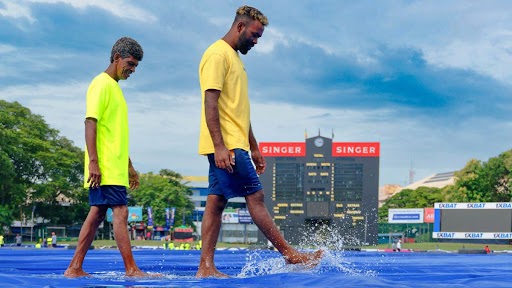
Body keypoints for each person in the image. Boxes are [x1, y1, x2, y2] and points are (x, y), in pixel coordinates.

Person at [196, 5, 323, 278]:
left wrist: (254, 146)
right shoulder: (217, 54)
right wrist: (220, 146)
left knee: (216, 202)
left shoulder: (233, 58)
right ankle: (291, 255)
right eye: (254, 35)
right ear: (240, 26)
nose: (255, 42)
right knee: (255, 195)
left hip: (236, 142)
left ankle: (205, 267)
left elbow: (239, 110)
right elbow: (211, 102)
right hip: (227, 145)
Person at [64, 37, 151, 278]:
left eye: (135, 66)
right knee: (120, 211)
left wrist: (130, 167)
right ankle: (131, 270)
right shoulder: (101, 84)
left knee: (98, 213)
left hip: (114, 166)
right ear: (116, 58)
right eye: (130, 64)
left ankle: (74, 268)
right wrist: (93, 162)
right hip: (104, 166)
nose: (132, 70)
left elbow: (116, 135)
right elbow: (90, 122)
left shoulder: (115, 89)